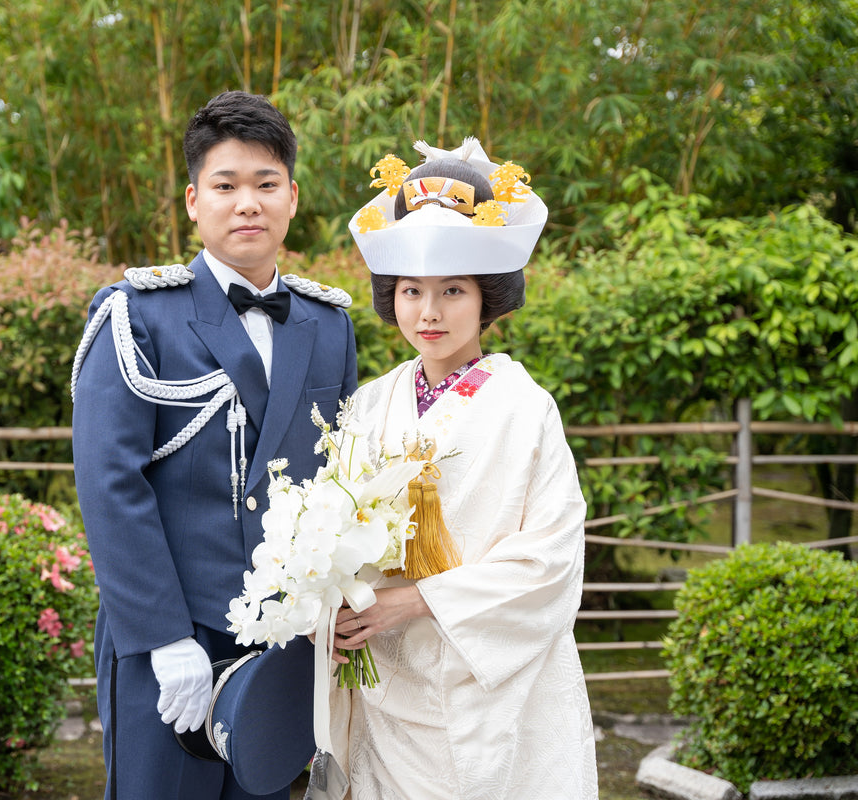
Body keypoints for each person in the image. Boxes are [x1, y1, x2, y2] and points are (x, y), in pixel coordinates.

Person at [71, 90, 359, 800]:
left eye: (266, 184)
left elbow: (340, 478)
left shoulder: (329, 325)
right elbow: (112, 485)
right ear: (193, 200)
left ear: (293, 197)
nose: (247, 203)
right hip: (170, 640)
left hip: (281, 643)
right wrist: (165, 638)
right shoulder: (137, 318)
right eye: (226, 186)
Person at [309, 139, 597, 799]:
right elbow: (329, 525)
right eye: (411, 291)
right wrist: (334, 612)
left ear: (488, 297)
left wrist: (413, 601)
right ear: (392, 295)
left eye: (452, 291)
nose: (429, 312)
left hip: (494, 683)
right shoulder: (374, 401)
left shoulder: (525, 408)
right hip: (387, 682)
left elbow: (551, 558)